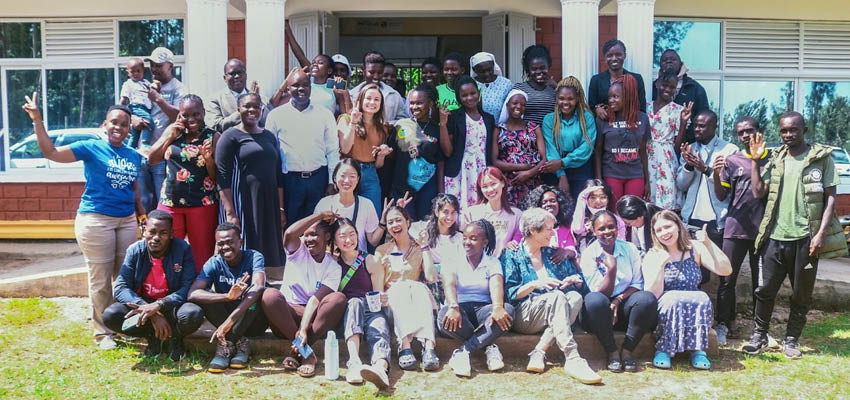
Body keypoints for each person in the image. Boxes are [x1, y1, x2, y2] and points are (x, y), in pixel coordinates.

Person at [22, 94, 144, 350]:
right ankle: (103, 333)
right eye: (114, 122)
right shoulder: (91, 147)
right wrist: (37, 120)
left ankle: (123, 326)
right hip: (96, 220)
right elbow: (51, 152)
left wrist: (141, 217)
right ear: (104, 124)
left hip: (127, 220)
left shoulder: (133, 155)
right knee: (100, 280)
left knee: (124, 278)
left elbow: (134, 190)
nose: (118, 128)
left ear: (129, 127)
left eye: (123, 124)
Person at [743, 112, 848, 359]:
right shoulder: (776, 158)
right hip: (775, 238)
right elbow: (758, 192)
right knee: (765, 290)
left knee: (801, 293)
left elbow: (830, 196)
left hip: (806, 238)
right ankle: (759, 336)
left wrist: (820, 233)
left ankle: (791, 340)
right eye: (784, 131)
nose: (789, 135)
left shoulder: (821, 158)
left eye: (794, 130)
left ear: (805, 129)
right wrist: (756, 161)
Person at [501, 208, 601, 383]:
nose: (553, 232)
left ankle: (540, 350)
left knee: (575, 297)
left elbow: (582, 285)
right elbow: (510, 295)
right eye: (548, 228)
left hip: (555, 313)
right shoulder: (513, 255)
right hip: (525, 314)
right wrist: (535, 284)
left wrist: (574, 279)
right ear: (533, 229)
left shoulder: (551, 254)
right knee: (557, 296)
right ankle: (573, 358)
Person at [103, 210, 203, 361]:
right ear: (144, 231)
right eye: (152, 232)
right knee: (111, 314)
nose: (156, 238)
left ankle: (175, 338)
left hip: (172, 305)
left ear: (171, 234)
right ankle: (152, 337)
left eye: (163, 233)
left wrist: (160, 305)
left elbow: (187, 287)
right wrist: (150, 311)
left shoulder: (183, 249)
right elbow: (120, 287)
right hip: (144, 307)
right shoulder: (135, 251)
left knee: (193, 313)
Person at [261, 212, 347, 377]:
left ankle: (296, 352)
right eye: (306, 235)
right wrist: (319, 215)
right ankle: (307, 355)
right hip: (286, 319)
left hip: (314, 321)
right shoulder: (298, 251)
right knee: (270, 295)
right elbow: (289, 233)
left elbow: (315, 300)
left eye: (314, 234)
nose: (309, 239)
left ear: (327, 236)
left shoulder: (334, 267)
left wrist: (304, 330)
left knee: (338, 299)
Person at [643, 211, 732, 369]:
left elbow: (725, 270)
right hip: (666, 302)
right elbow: (651, 294)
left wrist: (708, 243)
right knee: (673, 300)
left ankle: (697, 350)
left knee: (702, 298)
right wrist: (661, 265)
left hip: (693, 301)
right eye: (659, 230)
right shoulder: (653, 254)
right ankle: (663, 349)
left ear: (678, 226)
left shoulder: (694, 248)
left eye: (668, 227)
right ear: (655, 234)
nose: (665, 233)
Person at [711, 116, 769, 344]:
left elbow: (762, 193)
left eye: (749, 131)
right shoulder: (732, 160)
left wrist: (757, 160)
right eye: (740, 133)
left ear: (759, 131)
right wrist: (716, 174)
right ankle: (725, 323)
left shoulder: (773, 159)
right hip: (735, 228)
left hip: (763, 230)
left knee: (761, 282)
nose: (745, 136)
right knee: (727, 279)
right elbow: (722, 195)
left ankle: (760, 329)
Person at [215, 93, 286, 278]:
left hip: (268, 200)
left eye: (256, 107)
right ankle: (242, 282)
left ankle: (265, 282)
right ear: (239, 109)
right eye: (247, 106)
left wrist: (280, 207)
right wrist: (230, 213)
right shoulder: (230, 137)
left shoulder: (269, 136)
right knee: (246, 242)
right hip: (243, 200)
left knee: (268, 243)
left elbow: (277, 173)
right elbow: (222, 177)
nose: (252, 110)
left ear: (262, 110)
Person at [579, 210, 657, 373]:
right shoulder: (589, 254)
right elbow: (600, 293)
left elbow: (637, 283)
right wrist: (612, 269)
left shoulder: (629, 248)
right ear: (593, 231)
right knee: (594, 300)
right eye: (601, 229)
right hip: (599, 314)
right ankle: (612, 353)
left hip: (622, 306)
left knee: (646, 299)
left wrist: (618, 300)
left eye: (611, 227)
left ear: (617, 228)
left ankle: (627, 352)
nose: (607, 232)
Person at [147, 95, 218, 269]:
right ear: (179, 115)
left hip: (201, 203)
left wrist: (209, 160)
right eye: (186, 115)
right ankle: (169, 289)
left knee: (202, 254)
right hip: (170, 202)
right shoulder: (173, 131)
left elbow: (219, 177)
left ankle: (200, 292)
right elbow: (152, 159)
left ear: (203, 113)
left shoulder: (213, 137)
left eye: (196, 114)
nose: (191, 119)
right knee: (166, 249)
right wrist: (170, 136)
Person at [188, 222, 267, 373]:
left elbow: (259, 286)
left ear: (240, 241)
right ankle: (240, 343)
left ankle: (226, 343)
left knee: (256, 294)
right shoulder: (214, 262)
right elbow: (193, 293)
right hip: (225, 316)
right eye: (221, 244)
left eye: (230, 242)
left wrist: (229, 321)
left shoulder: (254, 256)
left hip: (251, 318)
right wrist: (227, 296)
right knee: (206, 296)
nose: (225, 247)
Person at [439, 219, 514, 376]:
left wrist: (498, 307)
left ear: (484, 242)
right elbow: (449, 284)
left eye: (473, 238)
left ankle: (463, 351)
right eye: (465, 237)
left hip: (483, 311)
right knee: (443, 316)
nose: (467, 242)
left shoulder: (492, 262)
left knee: (508, 310)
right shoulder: (452, 259)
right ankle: (488, 345)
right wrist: (453, 307)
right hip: (459, 311)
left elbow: (496, 285)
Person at [369, 206, 440, 371]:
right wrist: (382, 269)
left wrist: (424, 247)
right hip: (393, 302)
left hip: (416, 298)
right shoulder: (382, 250)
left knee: (419, 287)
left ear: (408, 222)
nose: (395, 225)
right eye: (390, 222)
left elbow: (431, 277)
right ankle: (405, 346)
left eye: (398, 220)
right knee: (400, 288)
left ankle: (429, 346)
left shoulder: (418, 248)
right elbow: (379, 290)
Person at [266, 69, 339, 225]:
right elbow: (270, 154)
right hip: (290, 181)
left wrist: (332, 181)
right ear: (288, 89)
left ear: (310, 88)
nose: (301, 88)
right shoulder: (275, 116)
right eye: (296, 85)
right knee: (292, 226)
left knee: (319, 226)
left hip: (319, 179)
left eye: (305, 85)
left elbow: (332, 149)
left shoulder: (324, 114)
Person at [676, 110, 738, 284]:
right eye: (695, 125)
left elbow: (730, 186)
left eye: (702, 126)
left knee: (723, 274)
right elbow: (681, 185)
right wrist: (688, 166)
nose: (697, 129)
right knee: (695, 274)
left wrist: (706, 169)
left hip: (718, 221)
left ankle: (722, 312)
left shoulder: (729, 150)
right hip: (691, 220)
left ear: (714, 127)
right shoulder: (690, 149)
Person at [330, 218, 391, 389]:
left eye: (352, 234)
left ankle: (380, 368)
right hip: (346, 314)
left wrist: (382, 298)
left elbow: (377, 294)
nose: (348, 240)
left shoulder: (370, 260)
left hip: (370, 310)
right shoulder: (332, 262)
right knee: (355, 302)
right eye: (342, 236)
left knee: (379, 326)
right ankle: (354, 362)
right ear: (334, 240)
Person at [136, 47, 187, 213]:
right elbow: (132, 108)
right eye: (152, 64)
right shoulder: (145, 85)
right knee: (144, 201)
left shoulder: (179, 89)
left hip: (162, 154)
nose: (154, 69)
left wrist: (158, 99)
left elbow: (180, 117)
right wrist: (132, 119)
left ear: (170, 66)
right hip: (141, 152)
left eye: (159, 65)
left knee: (163, 201)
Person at [440, 75, 495, 209]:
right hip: (460, 172)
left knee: (482, 209)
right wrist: (442, 124)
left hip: (483, 171)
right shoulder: (453, 117)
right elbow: (448, 152)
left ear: (478, 93)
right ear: (459, 98)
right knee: (457, 210)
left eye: (472, 93)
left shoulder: (489, 118)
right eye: (464, 95)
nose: (469, 98)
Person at [388, 84, 442, 220]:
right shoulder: (401, 125)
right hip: (402, 189)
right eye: (412, 103)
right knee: (406, 226)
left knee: (425, 229)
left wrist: (441, 190)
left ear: (430, 103)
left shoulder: (437, 129)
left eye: (419, 103)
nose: (414, 107)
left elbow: (441, 161)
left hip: (427, 189)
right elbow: (392, 155)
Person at [594, 74, 650, 205]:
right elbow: (597, 151)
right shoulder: (603, 119)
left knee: (632, 213)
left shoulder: (642, 118)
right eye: (609, 97)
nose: (611, 100)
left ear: (628, 97)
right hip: (612, 174)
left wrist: (647, 182)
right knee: (615, 215)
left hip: (635, 175)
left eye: (615, 97)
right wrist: (598, 178)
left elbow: (643, 151)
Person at [337, 84, 392, 215]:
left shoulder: (383, 128)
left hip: (370, 173)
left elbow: (378, 165)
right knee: (347, 214)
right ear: (361, 100)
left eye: (376, 99)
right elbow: (345, 149)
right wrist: (353, 123)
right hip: (349, 172)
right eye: (368, 98)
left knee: (373, 215)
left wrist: (382, 155)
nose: (372, 102)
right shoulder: (346, 119)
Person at [540, 76, 597, 200]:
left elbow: (587, 147)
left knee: (581, 206)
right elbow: (550, 148)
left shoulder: (587, 118)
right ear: (556, 99)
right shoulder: (549, 120)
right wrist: (561, 175)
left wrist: (563, 162)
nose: (565, 103)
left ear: (577, 99)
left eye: (570, 99)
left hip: (581, 169)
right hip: (555, 170)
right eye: (561, 98)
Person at [314, 159, 386, 252]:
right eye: (342, 176)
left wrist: (383, 222)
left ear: (358, 179)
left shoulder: (366, 204)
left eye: (352, 176)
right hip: (331, 261)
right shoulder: (324, 204)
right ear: (335, 177)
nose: (347, 180)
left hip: (357, 262)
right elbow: (316, 236)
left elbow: (373, 241)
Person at [647, 69, 693, 210]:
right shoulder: (645, 106)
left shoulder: (678, 110)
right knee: (648, 197)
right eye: (665, 85)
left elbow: (678, 145)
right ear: (657, 84)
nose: (667, 89)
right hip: (647, 155)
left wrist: (683, 122)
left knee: (665, 199)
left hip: (666, 156)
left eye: (672, 87)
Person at [492, 89, 546, 206]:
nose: (519, 107)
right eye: (515, 103)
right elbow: (494, 161)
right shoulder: (498, 129)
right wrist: (521, 167)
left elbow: (544, 159)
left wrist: (529, 173)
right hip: (508, 182)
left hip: (532, 180)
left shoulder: (534, 128)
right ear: (507, 104)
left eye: (523, 105)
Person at [409, 193, 463, 305]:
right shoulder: (422, 228)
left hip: (451, 282)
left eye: (453, 212)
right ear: (437, 212)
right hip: (429, 279)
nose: (450, 217)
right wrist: (402, 209)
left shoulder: (459, 238)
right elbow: (406, 228)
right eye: (446, 212)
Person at [652, 49, 710, 144]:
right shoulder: (653, 87)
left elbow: (705, 119)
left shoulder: (695, 88)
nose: (668, 61)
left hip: (689, 145)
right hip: (658, 147)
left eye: (673, 59)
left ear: (681, 63)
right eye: (664, 60)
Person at [462, 167, 521, 257]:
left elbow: (520, 240)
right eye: (484, 186)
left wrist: (512, 243)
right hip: (478, 267)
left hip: (505, 267)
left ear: (502, 183)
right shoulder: (471, 213)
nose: (490, 190)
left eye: (493, 184)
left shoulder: (516, 215)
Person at [205, 58, 271, 133]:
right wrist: (245, 108)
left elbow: (268, 123)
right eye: (232, 74)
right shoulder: (214, 100)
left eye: (240, 73)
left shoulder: (260, 98)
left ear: (246, 75)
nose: (237, 76)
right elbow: (216, 126)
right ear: (225, 78)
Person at [514, 185, 577, 263]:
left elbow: (572, 250)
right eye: (544, 202)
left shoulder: (565, 228)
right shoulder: (529, 227)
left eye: (553, 201)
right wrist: (511, 244)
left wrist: (565, 252)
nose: (549, 204)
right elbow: (515, 244)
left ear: (560, 204)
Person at [588, 39, 647, 119]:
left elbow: (642, 108)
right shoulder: (596, 80)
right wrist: (597, 109)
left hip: (630, 127)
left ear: (624, 55)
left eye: (618, 54)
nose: (614, 58)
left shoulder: (636, 79)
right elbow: (590, 107)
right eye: (609, 55)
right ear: (605, 57)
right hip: (605, 127)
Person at [350, 51, 407, 122]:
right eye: (372, 72)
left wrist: (391, 124)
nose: (376, 77)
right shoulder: (352, 94)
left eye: (379, 73)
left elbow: (403, 120)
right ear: (364, 71)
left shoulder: (394, 95)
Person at [571, 180, 626, 250]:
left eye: (603, 197)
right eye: (592, 197)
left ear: (608, 199)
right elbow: (577, 229)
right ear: (586, 199)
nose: (598, 201)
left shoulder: (616, 220)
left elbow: (621, 244)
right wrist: (581, 198)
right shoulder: (581, 218)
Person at [511, 45, 556, 125]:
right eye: (534, 69)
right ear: (528, 69)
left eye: (542, 68)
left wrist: (557, 87)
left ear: (548, 66)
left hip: (550, 135)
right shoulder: (519, 89)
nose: (539, 72)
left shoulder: (555, 89)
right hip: (527, 135)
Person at [119, 57, 154, 148]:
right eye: (132, 71)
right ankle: (146, 143)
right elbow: (123, 99)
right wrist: (121, 110)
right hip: (136, 107)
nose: (136, 73)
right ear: (128, 72)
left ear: (143, 71)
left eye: (138, 71)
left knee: (135, 134)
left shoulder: (146, 82)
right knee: (149, 122)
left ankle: (129, 150)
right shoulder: (128, 84)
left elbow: (153, 92)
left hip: (146, 108)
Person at [470, 51, 513, 120]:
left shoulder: (505, 84)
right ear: (474, 70)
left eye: (489, 70)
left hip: (501, 128)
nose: (487, 74)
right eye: (482, 71)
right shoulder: (470, 85)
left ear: (493, 66)